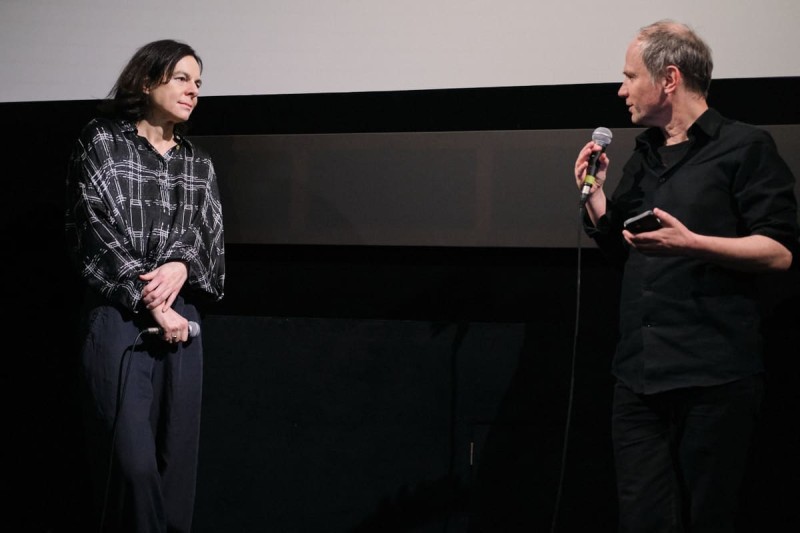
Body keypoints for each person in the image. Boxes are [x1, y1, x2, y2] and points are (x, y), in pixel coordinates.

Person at [573, 19, 799, 532]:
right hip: (638, 376)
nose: (621, 89)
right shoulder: (646, 154)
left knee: (709, 518)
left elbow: (780, 251)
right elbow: (619, 246)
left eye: (630, 76)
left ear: (669, 79)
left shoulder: (745, 147)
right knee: (643, 519)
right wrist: (596, 196)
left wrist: (693, 244)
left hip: (714, 376)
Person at [65, 39, 225, 532]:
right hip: (120, 317)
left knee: (174, 470)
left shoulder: (198, 163)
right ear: (146, 80)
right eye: (182, 78)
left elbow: (210, 247)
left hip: (183, 321)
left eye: (198, 83)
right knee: (131, 467)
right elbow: (93, 232)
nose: (193, 90)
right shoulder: (101, 142)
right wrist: (151, 299)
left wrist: (181, 265)